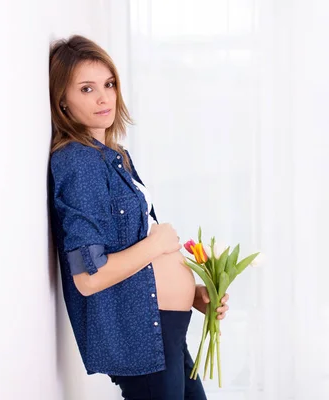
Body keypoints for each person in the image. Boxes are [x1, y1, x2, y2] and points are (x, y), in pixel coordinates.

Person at [48, 34, 229, 400]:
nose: (104, 98)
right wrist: (156, 244)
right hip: (142, 340)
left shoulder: (116, 157)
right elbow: (87, 276)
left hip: (164, 333)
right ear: (62, 102)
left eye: (109, 84)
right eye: (86, 89)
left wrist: (193, 294)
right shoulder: (78, 163)